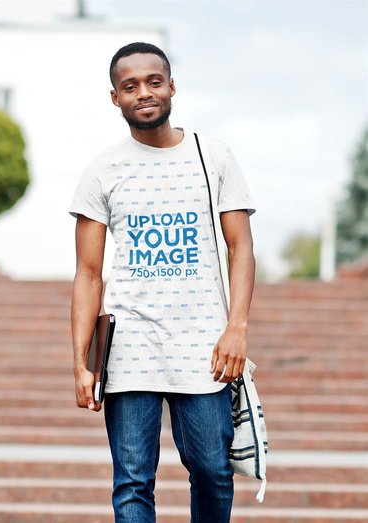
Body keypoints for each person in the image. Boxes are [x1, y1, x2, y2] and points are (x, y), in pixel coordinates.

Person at [69, 42, 256, 523]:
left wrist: (236, 328)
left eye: (154, 82)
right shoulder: (102, 170)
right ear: (115, 98)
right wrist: (81, 361)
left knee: (214, 471)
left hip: (205, 346)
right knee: (133, 481)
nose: (144, 93)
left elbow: (241, 246)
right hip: (130, 348)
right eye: (130, 86)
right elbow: (88, 274)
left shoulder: (213, 155)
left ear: (171, 86)